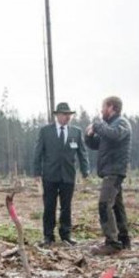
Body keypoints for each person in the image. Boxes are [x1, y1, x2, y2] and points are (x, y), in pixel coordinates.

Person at [33, 102, 89, 246]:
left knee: (66, 207)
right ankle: (48, 236)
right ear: (57, 115)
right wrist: (36, 172)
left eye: (69, 115)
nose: (67, 117)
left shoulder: (76, 132)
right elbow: (38, 152)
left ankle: (65, 235)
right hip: (50, 176)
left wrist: (85, 171)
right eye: (64, 114)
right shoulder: (46, 131)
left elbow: (82, 153)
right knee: (49, 206)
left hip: (68, 176)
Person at [84, 96, 132, 255]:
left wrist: (97, 124)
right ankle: (124, 240)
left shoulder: (121, 123)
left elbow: (115, 135)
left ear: (111, 107)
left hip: (114, 171)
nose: (101, 110)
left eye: (103, 107)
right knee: (117, 206)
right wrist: (89, 135)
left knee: (104, 205)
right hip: (110, 171)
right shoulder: (110, 126)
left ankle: (112, 243)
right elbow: (96, 144)